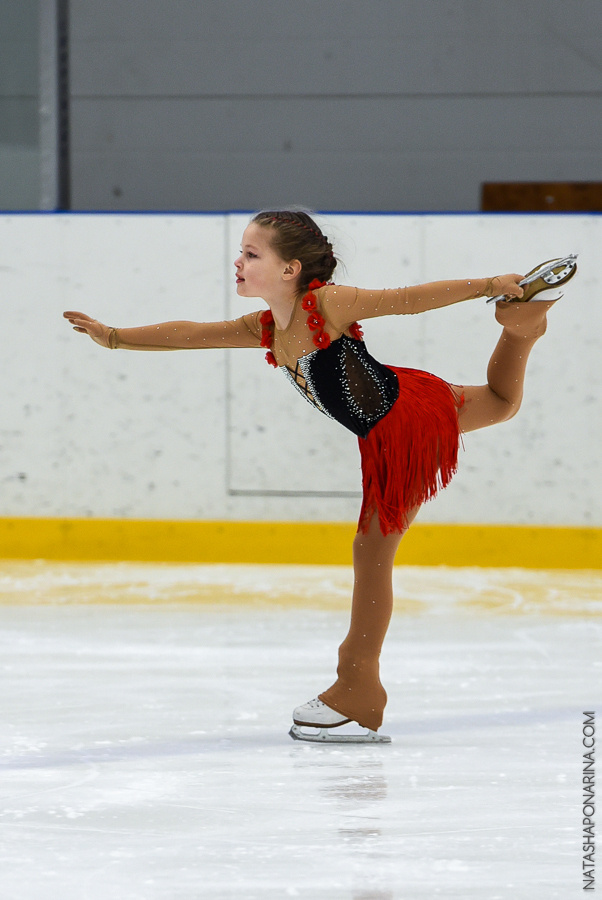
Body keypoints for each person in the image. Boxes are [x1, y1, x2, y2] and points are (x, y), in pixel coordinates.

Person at [63, 210, 577, 744]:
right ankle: (524, 329)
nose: (237, 262)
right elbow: (192, 334)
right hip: (401, 403)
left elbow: (410, 297)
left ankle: (357, 690)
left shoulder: (327, 305)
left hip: (403, 428)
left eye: (251, 254)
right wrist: (115, 337)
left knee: (372, 550)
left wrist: (490, 285)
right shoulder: (267, 327)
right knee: (499, 404)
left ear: (290, 269)